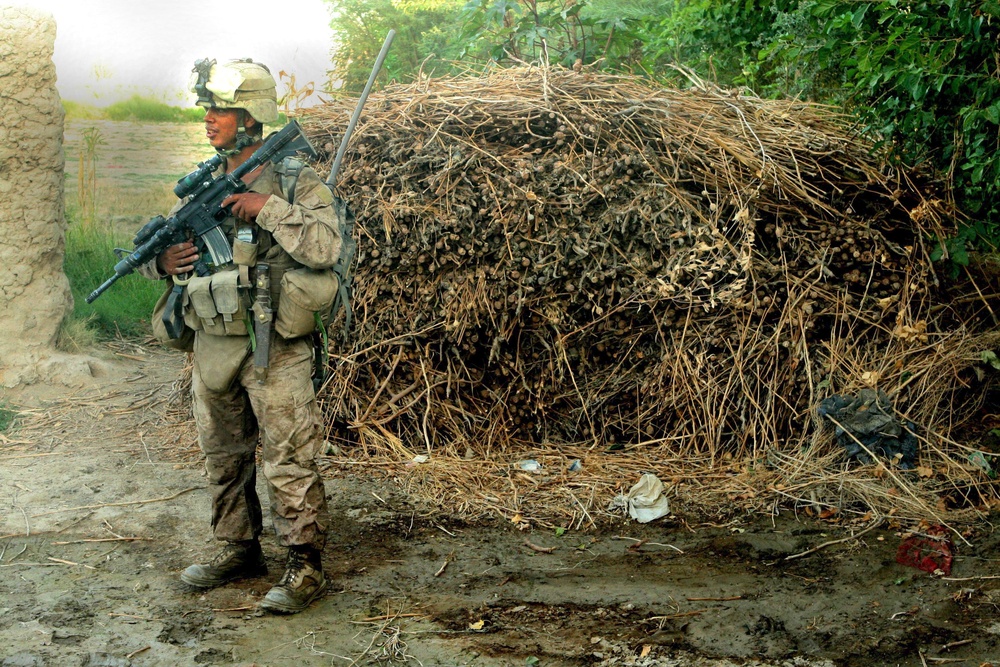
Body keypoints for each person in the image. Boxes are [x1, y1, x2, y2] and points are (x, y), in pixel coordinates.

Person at [139, 58, 343, 614]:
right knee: (223, 455)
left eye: (220, 110)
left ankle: (305, 566)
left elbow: (327, 248)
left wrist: (267, 208)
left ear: (252, 117)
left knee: (289, 455)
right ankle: (238, 548)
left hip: (273, 342)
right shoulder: (205, 181)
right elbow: (160, 251)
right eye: (206, 110)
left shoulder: (297, 179)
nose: (209, 120)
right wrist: (163, 261)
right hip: (215, 341)